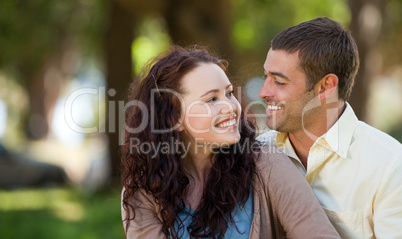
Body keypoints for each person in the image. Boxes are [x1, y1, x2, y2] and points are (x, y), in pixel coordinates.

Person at [121, 46, 340, 239]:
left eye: (229, 93)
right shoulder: (144, 191)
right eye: (212, 99)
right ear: (174, 118)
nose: (231, 107)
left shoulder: (266, 164)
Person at [257, 17, 402, 238]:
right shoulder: (256, 155)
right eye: (265, 76)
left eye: (279, 82)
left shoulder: (389, 167)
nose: (263, 92)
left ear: (325, 87)